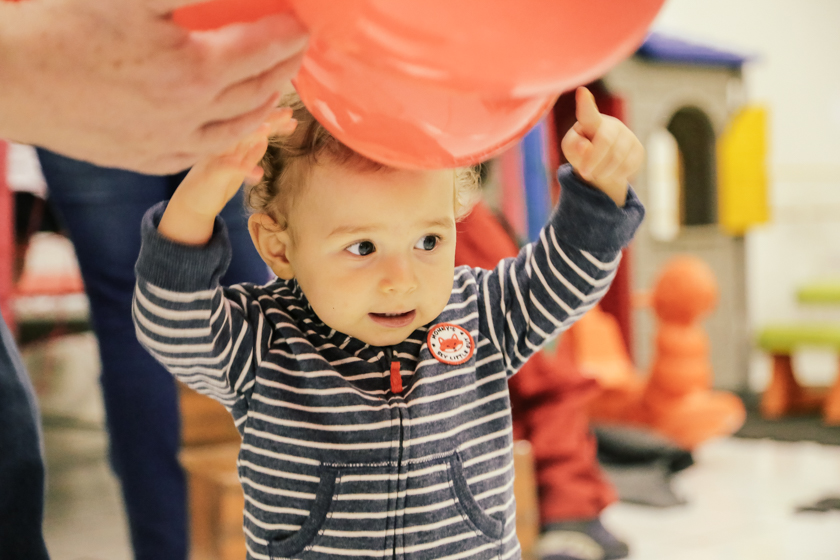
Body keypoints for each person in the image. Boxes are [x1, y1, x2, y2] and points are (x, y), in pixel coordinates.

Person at [131, 87, 644, 559]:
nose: (401, 281)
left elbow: (567, 276)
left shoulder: (479, 315)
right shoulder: (264, 341)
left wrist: (601, 188)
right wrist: (200, 195)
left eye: (428, 242)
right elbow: (171, 320)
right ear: (278, 247)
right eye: (362, 248)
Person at [0, 2, 308, 558]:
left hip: (67, 39)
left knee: (131, 319)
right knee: (254, 305)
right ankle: (285, 534)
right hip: (211, 33)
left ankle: (165, 548)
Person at [456, 200, 630, 560]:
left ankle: (572, 512)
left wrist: (568, 505)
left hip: (511, 458)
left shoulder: (463, 223)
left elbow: (545, 383)